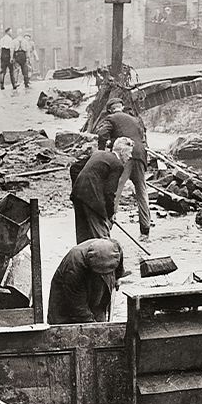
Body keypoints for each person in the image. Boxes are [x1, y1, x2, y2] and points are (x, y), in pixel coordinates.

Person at [95, 99, 152, 236]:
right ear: (121, 107)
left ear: (110, 109)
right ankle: (145, 228)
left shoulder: (111, 118)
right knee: (142, 191)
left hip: (125, 156)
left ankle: (107, 227)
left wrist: (102, 151)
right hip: (140, 155)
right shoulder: (135, 119)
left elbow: (102, 134)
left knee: (116, 190)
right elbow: (143, 137)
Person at [47, 238, 125, 324]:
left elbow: (119, 261)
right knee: (67, 330)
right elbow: (78, 306)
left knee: (100, 319)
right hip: (67, 301)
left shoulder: (114, 248)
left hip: (97, 289)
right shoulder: (73, 265)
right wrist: (93, 326)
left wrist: (118, 277)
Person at [70, 137, 130, 244]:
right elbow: (109, 193)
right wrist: (110, 214)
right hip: (92, 201)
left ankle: (84, 259)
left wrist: (79, 187)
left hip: (77, 195)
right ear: (122, 151)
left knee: (83, 239)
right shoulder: (117, 165)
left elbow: (74, 168)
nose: (130, 157)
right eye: (129, 153)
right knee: (102, 240)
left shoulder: (98, 154)